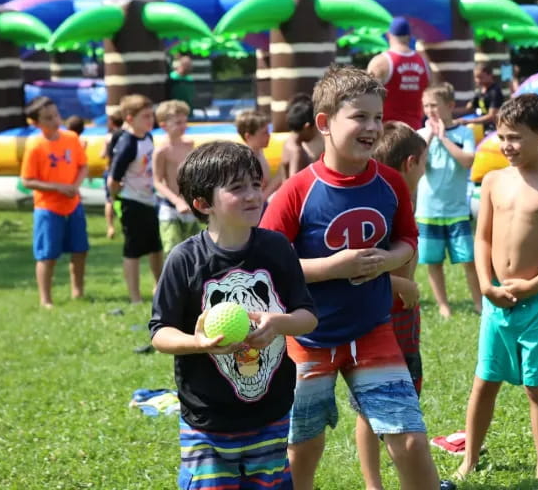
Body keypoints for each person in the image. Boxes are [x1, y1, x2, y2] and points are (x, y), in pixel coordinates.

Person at [259, 65, 444, 490]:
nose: (372, 127)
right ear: (324, 123)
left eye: (378, 117)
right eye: (359, 117)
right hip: (308, 340)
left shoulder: (392, 183)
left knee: (411, 442)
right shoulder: (296, 191)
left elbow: (407, 240)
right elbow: (267, 265)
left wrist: (387, 260)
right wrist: (333, 268)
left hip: (374, 330)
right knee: (303, 447)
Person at [150, 141, 318, 490]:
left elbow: (307, 317)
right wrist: (197, 343)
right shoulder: (185, 260)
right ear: (203, 203)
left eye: (256, 184)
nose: (253, 195)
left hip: (271, 412)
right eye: (237, 187)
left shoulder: (277, 249)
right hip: (207, 420)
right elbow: (160, 332)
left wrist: (278, 323)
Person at [456, 94, 538, 485]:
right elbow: (482, 240)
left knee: (536, 387)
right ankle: (470, 459)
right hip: (496, 303)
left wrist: (533, 285)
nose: (506, 145)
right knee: (484, 382)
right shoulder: (493, 180)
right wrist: (486, 287)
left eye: (515, 137)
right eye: (501, 136)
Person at [357, 121, 429, 490]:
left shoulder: (400, 202)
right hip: (383, 323)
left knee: (375, 409)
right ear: (411, 163)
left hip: (400, 321)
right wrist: (401, 284)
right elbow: (362, 269)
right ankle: (379, 483)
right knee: (385, 411)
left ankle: (377, 483)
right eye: (424, 164)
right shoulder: (384, 207)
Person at [417, 82, 481, 318]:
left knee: (468, 259)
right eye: (426, 106)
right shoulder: (421, 135)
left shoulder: (464, 133)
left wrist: (444, 138)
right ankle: (443, 305)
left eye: (434, 105)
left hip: (456, 209)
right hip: (428, 209)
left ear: (450, 106)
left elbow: (467, 161)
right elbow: (418, 165)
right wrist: (432, 136)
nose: (429, 110)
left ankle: (478, 302)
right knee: (433, 262)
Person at [20, 96, 89, 308]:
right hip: (47, 209)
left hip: (73, 204)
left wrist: (75, 186)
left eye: (56, 115)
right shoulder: (35, 147)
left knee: (80, 250)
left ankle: (77, 291)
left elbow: (83, 165)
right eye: (48, 118)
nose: (55, 120)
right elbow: (27, 180)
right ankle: (45, 299)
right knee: (47, 255)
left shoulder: (71, 138)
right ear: (36, 123)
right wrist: (58, 188)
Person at [109, 94, 164, 304]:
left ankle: (159, 287)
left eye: (152, 116)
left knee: (155, 247)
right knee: (133, 250)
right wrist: (114, 199)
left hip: (149, 200)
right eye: (146, 116)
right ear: (130, 119)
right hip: (132, 202)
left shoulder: (148, 137)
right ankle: (135, 296)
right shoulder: (127, 143)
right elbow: (113, 178)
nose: (151, 120)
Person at [367, 16, 431, 129]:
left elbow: (367, 96)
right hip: (415, 131)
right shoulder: (424, 61)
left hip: (388, 132)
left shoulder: (381, 62)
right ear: (409, 37)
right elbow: (432, 91)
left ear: (388, 35)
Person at [153, 100, 199, 251]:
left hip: (190, 204)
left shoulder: (190, 145)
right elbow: (157, 181)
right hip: (170, 207)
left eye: (185, 121)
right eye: (178, 123)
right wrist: (176, 201)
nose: (183, 126)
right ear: (163, 126)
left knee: (194, 249)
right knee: (173, 249)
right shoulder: (162, 151)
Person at [276, 93, 323, 186]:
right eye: (315, 128)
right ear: (307, 126)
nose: (316, 133)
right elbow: (294, 184)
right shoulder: (297, 152)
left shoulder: (287, 143)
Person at [235, 109, 274, 202]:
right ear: (248, 136)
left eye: (268, 131)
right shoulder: (246, 160)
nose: (269, 135)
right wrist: (279, 178)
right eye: (264, 133)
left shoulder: (259, 151)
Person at [461, 64, 504, 133]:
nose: (477, 80)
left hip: (492, 130)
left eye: (480, 77)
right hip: (481, 127)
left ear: (490, 75)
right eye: (475, 77)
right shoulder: (480, 91)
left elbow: (492, 116)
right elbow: (468, 108)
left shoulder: (495, 92)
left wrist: (467, 121)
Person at [102, 112, 124, 240]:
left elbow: (103, 154)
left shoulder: (109, 137)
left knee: (109, 200)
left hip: (110, 170)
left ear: (111, 122)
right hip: (123, 173)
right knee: (124, 199)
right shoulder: (126, 135)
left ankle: (110, 227)